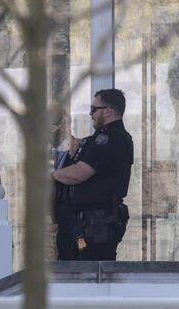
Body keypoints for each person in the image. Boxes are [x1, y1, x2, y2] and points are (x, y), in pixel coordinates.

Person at [52, 89, 133, 260]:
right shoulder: (97, 139)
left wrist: (52, 175)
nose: (90, 114)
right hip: (84, 225)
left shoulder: (110, 139)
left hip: (94, 225)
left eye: (94, 109)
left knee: (88, 274)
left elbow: (78, 174)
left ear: (108, 111)